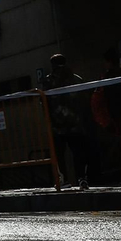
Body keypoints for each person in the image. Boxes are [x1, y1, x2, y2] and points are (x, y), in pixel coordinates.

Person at [43, 53, 92, 188]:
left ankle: (63, 179)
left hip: (57, 124)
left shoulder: (48, 81)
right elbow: (85, 99)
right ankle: (82, 178)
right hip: (75, 122)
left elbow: (44, 101)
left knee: (59, 154)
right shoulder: (76, 79)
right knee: (78, 152)